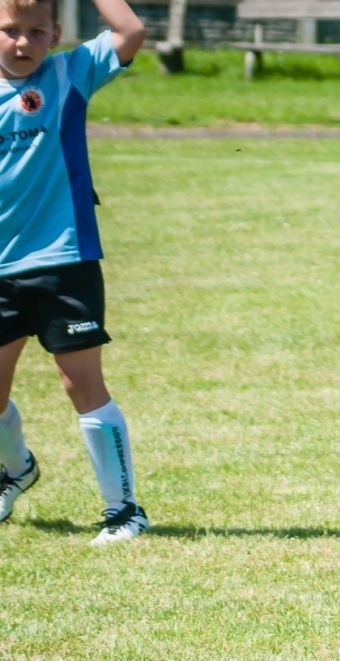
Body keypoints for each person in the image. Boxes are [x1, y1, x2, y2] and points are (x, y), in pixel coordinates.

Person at [0, 0, 148, 543]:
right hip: (0, 269)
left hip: (65, 259)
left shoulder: (70, 72)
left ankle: (124, 509)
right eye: (10, 30)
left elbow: (130, 29)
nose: (22, 42)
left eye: (36, 31)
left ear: (55, 33)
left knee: (80, 382)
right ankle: (16, 470)